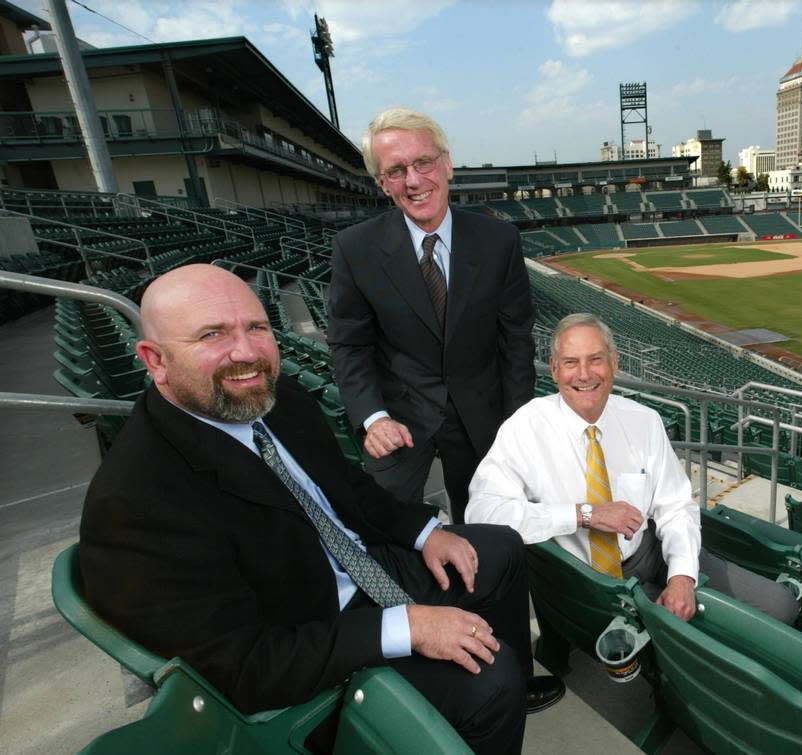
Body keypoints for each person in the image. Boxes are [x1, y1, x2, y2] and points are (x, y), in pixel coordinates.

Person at [79, 265, 562, 755]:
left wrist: (425, 532)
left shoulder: (273, 397)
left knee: (498, 547)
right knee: (488, 684)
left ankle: (517, 690)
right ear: (154, 359)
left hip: (359, 567)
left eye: (257, 327)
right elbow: (245, 668)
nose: (246, 352)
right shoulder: (136, 501)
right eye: (212, 335)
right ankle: (494, 706)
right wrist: (406, 627)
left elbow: (344, 485)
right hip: (308, 641)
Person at [467, 313, 800, 625]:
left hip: (649, 552)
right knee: (692, 634)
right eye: (571, 362)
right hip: (587, 578)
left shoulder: (644, 421)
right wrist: (584, 514)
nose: (584, 374)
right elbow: (483, 512)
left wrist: (682, 575)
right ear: (554, 369)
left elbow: (674, 505)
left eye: (595, 359)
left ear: (614, 363)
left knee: (781, 605)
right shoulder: (525, 427)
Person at [326, 107, 535, 525]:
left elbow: (516, 341)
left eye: (423, 162)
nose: (415, 180)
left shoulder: (500, 241)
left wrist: (517, 425)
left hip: (483, 417)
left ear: (447, 164)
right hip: (398, 416)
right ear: (383, 185)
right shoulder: (355, 248)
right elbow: (349, 343)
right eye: (397, 170)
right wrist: (373, 416)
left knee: (491, 533)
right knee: (381, 529)